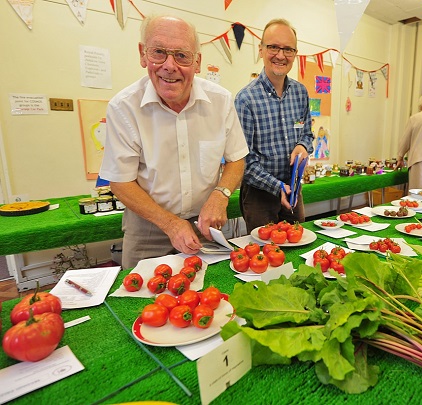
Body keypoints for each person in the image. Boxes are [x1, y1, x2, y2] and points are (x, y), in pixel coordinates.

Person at [100, 15, 249, 269]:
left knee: (212, 299)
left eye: (181, 55)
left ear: (198, 62)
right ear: (143, 54)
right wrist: (169, 223)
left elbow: (237, 158)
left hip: (206, 224)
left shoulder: (221, 101)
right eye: (159, 52)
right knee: (144, 303)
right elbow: (120, 181)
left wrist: (220, 195)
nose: (169, 66)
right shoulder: (123, 107)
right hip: (148, 227)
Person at [235, 18, 314, 232]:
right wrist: (277, 186)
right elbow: (244, 162)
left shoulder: (301, 93)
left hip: (294, 190)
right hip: (259, 196)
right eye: (273, 47)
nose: (280, 55)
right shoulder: (245, 99)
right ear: (261, 50)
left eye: (288, 49)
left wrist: (303, 146)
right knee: (264, 256)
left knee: (298, 249)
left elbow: (307, 134)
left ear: (295, 54)